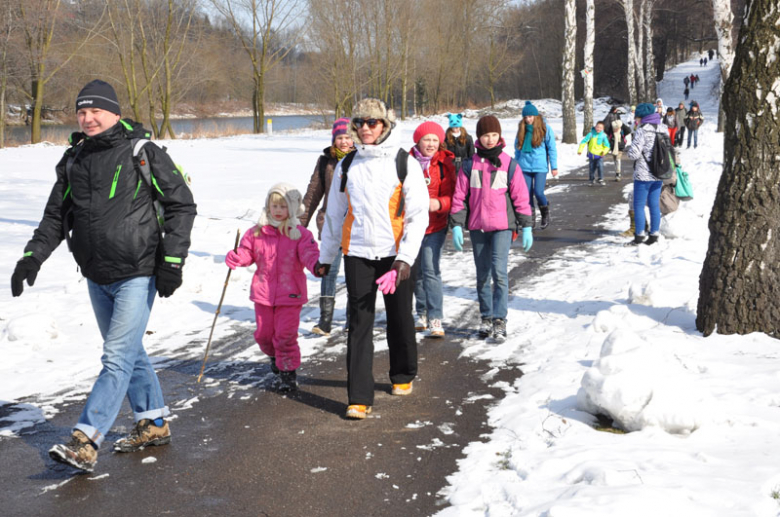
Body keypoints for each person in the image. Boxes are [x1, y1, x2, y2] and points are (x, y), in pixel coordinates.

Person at [10, 80, 197, 472]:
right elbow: (55, 218)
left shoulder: (141, 152)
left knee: (115, 357)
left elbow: (181, 204)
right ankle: (153, 423)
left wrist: (173, 261)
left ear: (114, 112)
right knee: (129, 353)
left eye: (95, 110)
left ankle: (86, 440)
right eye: (81, 111)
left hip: (138, 271)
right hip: (96, 274)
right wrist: (32, 257)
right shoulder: (74, 160)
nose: (88, 118)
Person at [317, 98, 429, 420]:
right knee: (359, 323)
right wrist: (327, 256)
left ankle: (403, 373)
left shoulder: (404, 161)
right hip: (358, 255)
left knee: (399, 317)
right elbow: (336, 214)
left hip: (395, 255)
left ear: (385, 126)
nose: (366, 128)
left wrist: (405, 259)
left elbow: (418, 215)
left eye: (373, 122)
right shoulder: (347, 164)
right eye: (361, 123)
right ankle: (359, 397)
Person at [226, 184, 322, 393]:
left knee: (285, 335)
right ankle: (275, 356)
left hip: (291, 294)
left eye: (283, 206)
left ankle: (287, 373)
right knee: (263, 335)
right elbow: (247, 253)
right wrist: (237, 257)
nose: (277, 210)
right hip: (263, 295)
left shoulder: (300, 235)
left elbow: (309, 254)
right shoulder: (256, 233)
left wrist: (317, 265)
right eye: (274, 205)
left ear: (292, 209)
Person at [450, 115, 533, 343]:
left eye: (494, 135)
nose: (489, 139)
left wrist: (526, 226)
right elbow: (459, 197)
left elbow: (520, 197)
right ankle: (486, 317)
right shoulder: (469, 165)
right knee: (482, 275)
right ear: (479, 136)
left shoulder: (509, 164)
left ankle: (499, 319)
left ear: (499, 136)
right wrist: (457, 224)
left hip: (503, 227)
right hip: (478, 227)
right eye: (486, 135)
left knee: (499, 271)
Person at [301, 118, 354, 336]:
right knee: (328, 270)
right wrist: (300, 224)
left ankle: (353, 319)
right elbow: (313, 193)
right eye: (340, 137)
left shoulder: (360, 159)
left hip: (355, 226)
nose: (344, 142)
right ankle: (325, 321)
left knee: (354, 274)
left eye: (348, 137)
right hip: (331, 223)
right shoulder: (326, 162)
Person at [409, 121, 455, 338]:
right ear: (418, 141)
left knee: (430, 269)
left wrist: (439, 204)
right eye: (426, 139)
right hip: (410, 225)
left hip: (435, 224)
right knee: (415, 270)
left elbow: (454, 196)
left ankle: (436, 317)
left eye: (435, 140)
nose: (431, 144)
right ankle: (422, 313)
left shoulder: (445, 164)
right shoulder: (406, 163)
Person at [513, 101, 558, 229]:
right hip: (524, 167)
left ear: (536, 116)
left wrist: (554, 166)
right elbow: (517, 149)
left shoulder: (545, 128)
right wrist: (516, 166)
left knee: (538, 192)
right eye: (525, 117)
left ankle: (545, 213)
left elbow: (552, 148)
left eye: (530, 117)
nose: (528, 119)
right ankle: (529, 221)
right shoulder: (521, 129)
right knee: (526, 194)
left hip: (540, 167)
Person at [625, 102, 665, 246]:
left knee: (639, 205)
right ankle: (654, 234)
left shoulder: (642, 130)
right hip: (659, 173)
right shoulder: (662, 128)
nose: (636, 120)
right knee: (654, 205)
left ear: (643, 117)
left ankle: (639, 236)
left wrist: (629, 149)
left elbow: (634, 154)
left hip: (643, 174)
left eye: (637, 118)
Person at [577, 121, 611, 186]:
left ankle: (601, 179)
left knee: (600, 167)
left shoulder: (603, 136)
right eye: (597, 127)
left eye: (600, 128)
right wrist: (580, 150)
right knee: (591, 168)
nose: (599, 129)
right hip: (591, 154)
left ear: (603, 129)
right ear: (595, 127)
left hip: (599, 155)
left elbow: (607, 146)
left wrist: (604, 151)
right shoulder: (591, 134)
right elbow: (583, 142)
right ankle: (591, 179)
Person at [603, 106, 631, 181]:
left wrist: (610, 132)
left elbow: (605, 125)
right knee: (616, 158)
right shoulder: (613, 116)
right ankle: (617, 173)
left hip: (616, 142)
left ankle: (618, 173)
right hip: (614, 141)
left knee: (617, 158)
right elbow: (628, 130)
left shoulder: (610, 116)